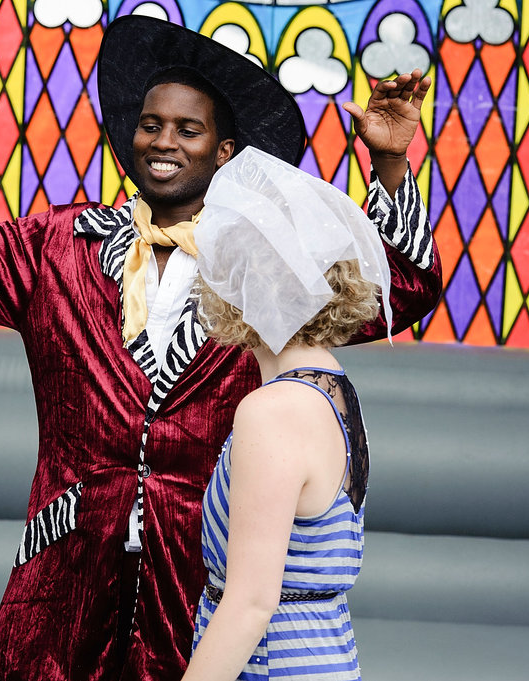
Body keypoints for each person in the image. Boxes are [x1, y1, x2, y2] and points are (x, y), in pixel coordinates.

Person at [0, 14, 441, 681]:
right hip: (63, 584)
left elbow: (392, 289)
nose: (163, 141)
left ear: (226, 151)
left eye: (188, 129)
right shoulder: (60, 246)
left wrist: (391, 163)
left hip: (195, 586)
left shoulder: (263, 270)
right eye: (151, 124)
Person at [184, 145, 389, 680]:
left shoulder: (273, 411)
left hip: (275, 664)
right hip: (323, 655)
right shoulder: (335, 392)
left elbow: (251, 603)